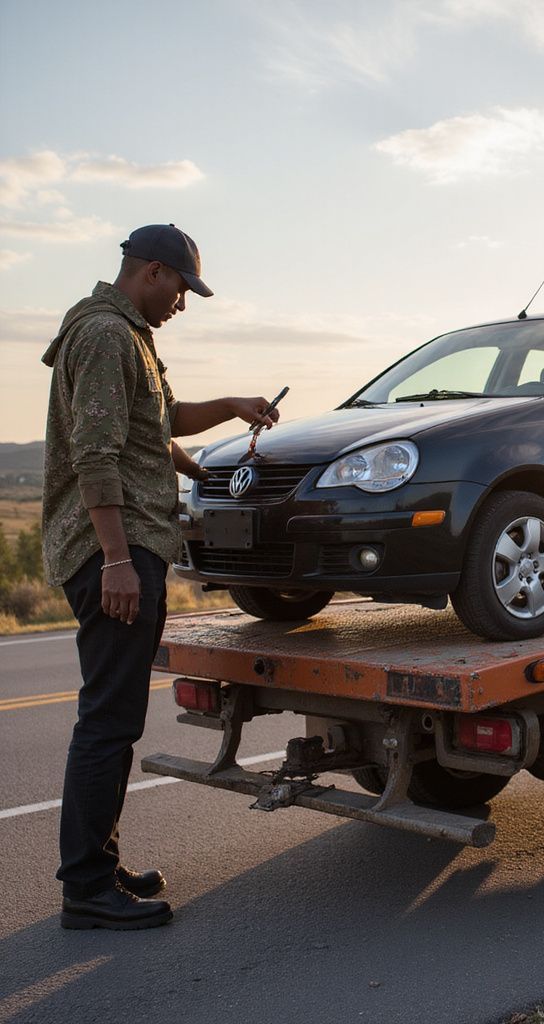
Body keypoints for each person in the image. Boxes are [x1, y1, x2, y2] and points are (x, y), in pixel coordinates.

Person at [41, 224, 279, 930]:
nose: (183, 303)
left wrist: (218, 435)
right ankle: (86, 887)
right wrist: (116, 558)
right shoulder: (109, 335)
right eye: (181, 288)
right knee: (108, 723)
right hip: (109, 548)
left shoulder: (125, 334)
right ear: (152, 271)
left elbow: (158, 423)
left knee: (113, 720)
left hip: (122, 543)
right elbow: (96, 453)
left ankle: (100, 865)